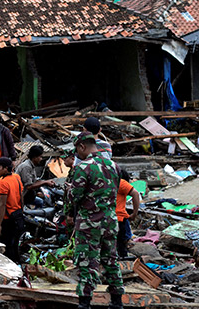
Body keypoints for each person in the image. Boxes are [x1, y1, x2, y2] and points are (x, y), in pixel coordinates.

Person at [65, 132, 124, 309]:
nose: (76, 154)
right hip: (110, 222)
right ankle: (117, 301)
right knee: (111, 260)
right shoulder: (114, 166)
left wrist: (68, 189)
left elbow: (75, 197)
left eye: (76, 150)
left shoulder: (83, 167)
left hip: (89, 223)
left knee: (87, 262)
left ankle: (85, 302)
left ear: (82, 146)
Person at [0, 157, 24, 263]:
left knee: (2, 246)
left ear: (6, 168)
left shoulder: (3, 183)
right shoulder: (16, 177)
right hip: (15, 215)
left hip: (5, 218)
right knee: (12, 244)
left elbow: (2, 204)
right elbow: (21, 196)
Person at [117, 170, 140, 258]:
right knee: (122, 241)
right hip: (119, 217)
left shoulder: (107, 182)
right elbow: (135, 194)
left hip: (108, 216)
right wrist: (135, 213)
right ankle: (123, 258)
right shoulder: (121, 182)